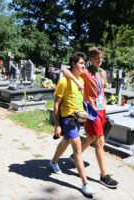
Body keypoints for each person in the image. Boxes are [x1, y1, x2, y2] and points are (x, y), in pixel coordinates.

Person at [61, 47, 118, 189]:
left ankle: (75, 157)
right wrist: (76, 80)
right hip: (92, 111)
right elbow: (64, 70)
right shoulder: (85, 72)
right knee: (100, 141)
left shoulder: (103, 72)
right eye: (97, 58)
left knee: (92, 137)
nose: (100, 60)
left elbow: (101, 89)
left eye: (101, 58)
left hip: (102, 109)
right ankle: (104, 175)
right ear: (90, 59)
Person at [50, 52, 94, 195]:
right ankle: (85, 183)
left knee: (66, 141)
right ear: (74, 64)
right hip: (68, 119)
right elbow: (56, 105)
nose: (84, 66)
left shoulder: (81, 78)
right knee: (77, 149)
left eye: (84, 63)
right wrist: (57, 125)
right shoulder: (64, 81)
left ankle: (54, 161)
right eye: (81, 63)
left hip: (79, 117)